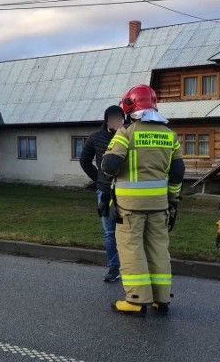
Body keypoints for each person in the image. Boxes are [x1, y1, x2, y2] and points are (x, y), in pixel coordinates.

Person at [101, 84, 185, 316]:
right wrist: (173, 200)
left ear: (129, 107)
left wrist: (109, 161)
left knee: (131, 249)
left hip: (130, 207)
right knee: (158, 248)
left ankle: (136, 300)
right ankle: (162, 298)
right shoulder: (170, 135)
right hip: (160, 205)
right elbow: (178, 172)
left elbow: (109, 166)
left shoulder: (127, 133)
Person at [79, 105, 126, 282]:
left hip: (126, 192)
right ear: (106, 120)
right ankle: (113, 268)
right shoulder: (96, 138)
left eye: (120, 118)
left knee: (128, 232)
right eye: (113, 118)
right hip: (105, 192)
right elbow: (84, 160)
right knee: (109, 232)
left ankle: (130, 267)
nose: (117, 122)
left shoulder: (129, 135)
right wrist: (98, 179)